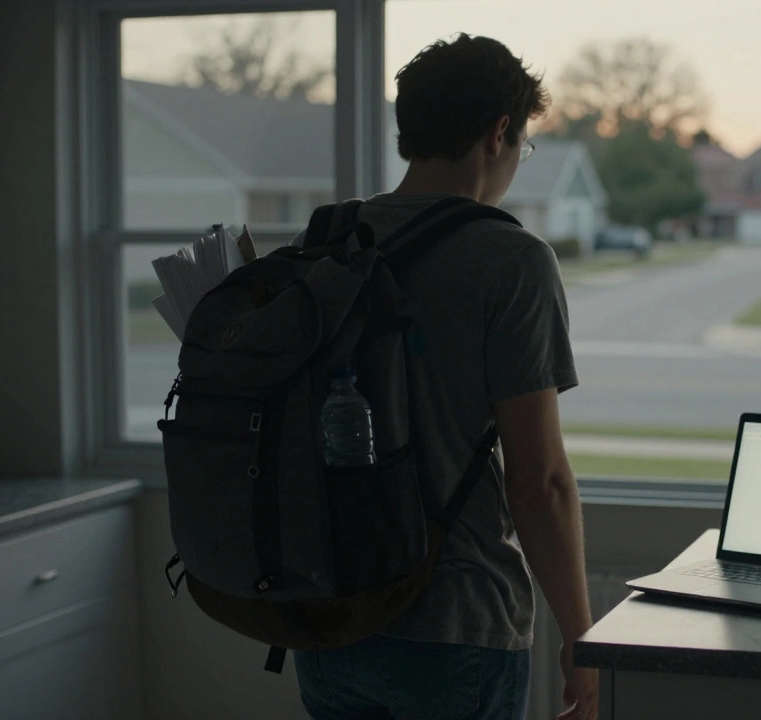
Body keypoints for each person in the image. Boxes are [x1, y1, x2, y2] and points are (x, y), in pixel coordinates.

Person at [291, 34, 598, 720]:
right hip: (455, 625)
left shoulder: (326, 243)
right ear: (498, 133)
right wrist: (583, 638)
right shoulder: (511, 260)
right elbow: (541, 484)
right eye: (524, 142)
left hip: (328, 616)